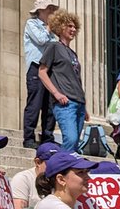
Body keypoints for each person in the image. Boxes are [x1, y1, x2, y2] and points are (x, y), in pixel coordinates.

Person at [37, 9, 86, 152]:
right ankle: (61, 169)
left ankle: (68, 170)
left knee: (75, 142)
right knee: (70, 139)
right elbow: (42, 72)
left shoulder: (73, 53)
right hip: (65, 102)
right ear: (60, 27)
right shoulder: (53, 46)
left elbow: (76, 79)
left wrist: (84, 104)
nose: (73, 29)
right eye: (69, 26)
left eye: (74, 27)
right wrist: (56, 93)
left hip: (79, 102)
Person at [22, 0, 60, 149]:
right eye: (48, 8)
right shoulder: (32, 24)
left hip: (49, 70)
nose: (51, 11)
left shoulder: (51, 30)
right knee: (34, 103)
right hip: (36, 67)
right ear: (40, 10)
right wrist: (50, 28)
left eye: (52, 8)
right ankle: (29, 137)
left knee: (49, 106)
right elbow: (41, 40)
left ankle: (47, 137)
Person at [10, 141, 60, 209]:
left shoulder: (60, 179)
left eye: (58, 163)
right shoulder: (23, 179)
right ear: (38, 162)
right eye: (51, 163)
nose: (55, 167)